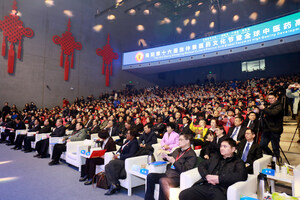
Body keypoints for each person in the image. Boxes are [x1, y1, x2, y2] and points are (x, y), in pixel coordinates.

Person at [179, 138, 248, 200]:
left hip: (220, 189)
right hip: (206, 184)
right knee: (184, 194)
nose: (221, 148)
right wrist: (206, 176)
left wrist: (219, 179)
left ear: (233, 149)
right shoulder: (216, 158)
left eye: (225, 146)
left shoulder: (238, 162)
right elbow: (201, 165)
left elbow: (242, 175)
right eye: (221, 146)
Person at [145, 133, 197, 200]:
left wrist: (174, 162)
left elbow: (186, 170)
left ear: (187, 141)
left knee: (163, 180)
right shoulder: (177, 150)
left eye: (181, 140)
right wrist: (165, 157)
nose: (179, 141)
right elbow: (170, 156)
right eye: (179, 140)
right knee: (150, 176)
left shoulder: (191, 155)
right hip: (168, 174)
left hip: (177, 177)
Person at [104, 130, 139, 195]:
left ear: (132, 135)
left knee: (112, 163)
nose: (126, 135)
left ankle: (114, 184)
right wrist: (117, 153)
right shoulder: (127, 141)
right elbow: (120, 149)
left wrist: (119, 157)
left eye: (128, 134)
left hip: (126, 161)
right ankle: (114, 184)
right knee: (107, 166)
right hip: (121, 159)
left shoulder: (134, 143)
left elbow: (131, 154)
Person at [258, 92, 284, 159]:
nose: (270, 100)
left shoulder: (279, 106)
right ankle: (271, 156)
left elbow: (273, 113)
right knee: (262, 145)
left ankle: (276, 159)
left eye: (272, 98)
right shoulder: (268, 105)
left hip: (275, 129)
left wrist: (264, 109)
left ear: (276, 98)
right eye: (269, 98)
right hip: (266, 129)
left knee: (275, 147)